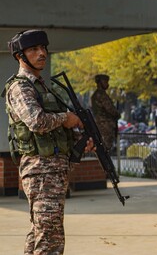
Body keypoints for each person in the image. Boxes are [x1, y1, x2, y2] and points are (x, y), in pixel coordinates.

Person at [3, 30, 93, 254]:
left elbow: (53, 129)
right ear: (19, 56)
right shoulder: (21, 87)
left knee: (42, 232)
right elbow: (36, 122)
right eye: (34, 49)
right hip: (41, 170)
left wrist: (77, 140)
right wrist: (67, 118)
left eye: (43, 48)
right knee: (50, 237)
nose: (41, 53)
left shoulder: (41, 87)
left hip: (52, 169)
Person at [91, 74, 120, 152]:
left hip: (100, 123)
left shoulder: (95, 95)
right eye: (105, 82)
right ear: (100, 82)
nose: (107, 84)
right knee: (106, 147)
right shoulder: (101, 95)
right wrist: (117, 114)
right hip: (105, 125)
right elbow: (110, 108)